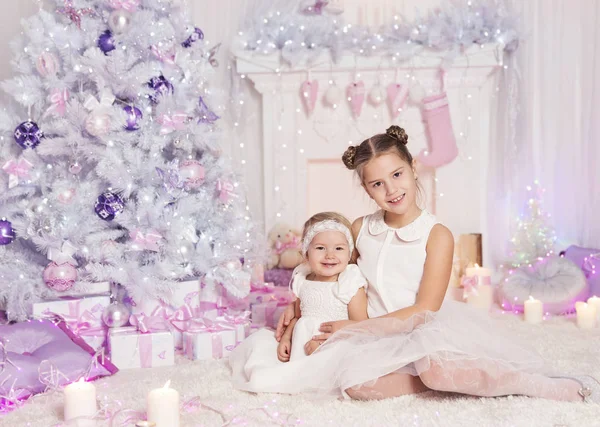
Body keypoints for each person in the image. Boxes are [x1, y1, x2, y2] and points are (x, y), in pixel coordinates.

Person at [274, 125, 598, 402]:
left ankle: (528, 384)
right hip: (374, 334)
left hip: (421, 328)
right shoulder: (360, 228)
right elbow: (334, 274)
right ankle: (428, 382)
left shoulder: (436, 234)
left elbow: (425, 308)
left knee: (436, 368)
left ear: (413, 168)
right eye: (377, 184)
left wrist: (355, 328)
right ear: (367, 189)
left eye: (397, 174)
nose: (391, 189)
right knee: (355, 384)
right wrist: (298, 305)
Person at [229, 212, 368, 394]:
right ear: (305, 253)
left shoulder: (349, 283)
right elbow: (299, 315)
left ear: (349, 252)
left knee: (309, 379)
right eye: (320, 248)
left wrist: (327, 345)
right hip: (301, 345)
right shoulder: (303, 279)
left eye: (339, 249)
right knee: (259, 350)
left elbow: (361, 327)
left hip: (335, 347)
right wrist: (287, 337)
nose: (330, 255)